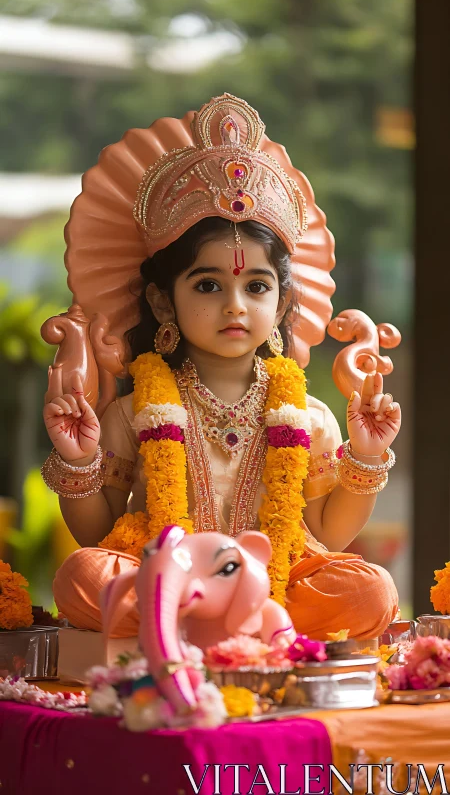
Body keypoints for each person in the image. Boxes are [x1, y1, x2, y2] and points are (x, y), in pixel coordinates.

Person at [42, 93, 399, 641]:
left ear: (280, 304)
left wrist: (368, 456)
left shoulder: (307, 414)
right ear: (163, 303)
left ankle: (226, 625)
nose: (235, 305)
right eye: (208, 285)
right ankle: (220, 628)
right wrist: (81, 458)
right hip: (168, 578)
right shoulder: (136, 408)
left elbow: (330, 532)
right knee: (85, 576)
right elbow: (98, 532)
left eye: (256, 286)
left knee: (371, 591)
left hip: (277, 578)